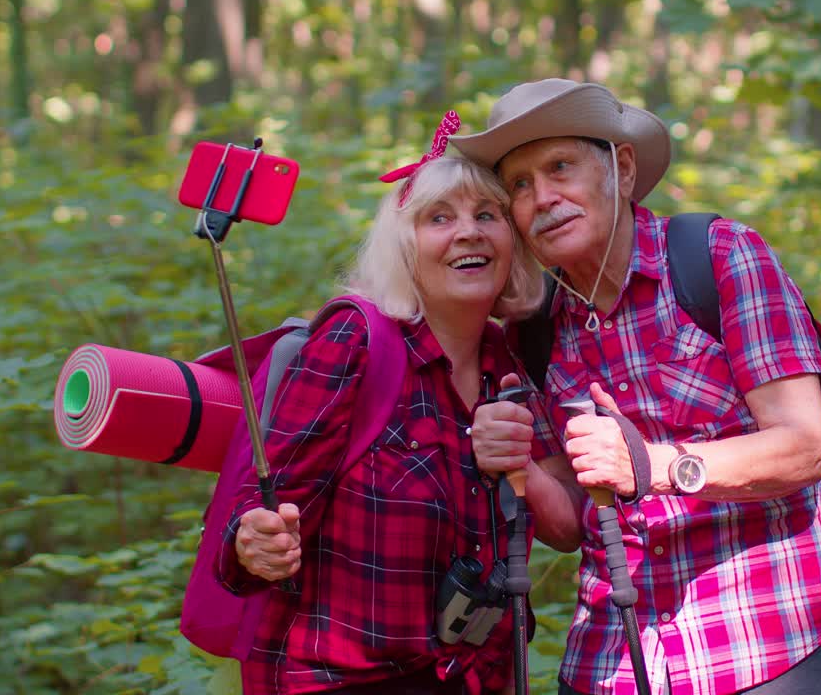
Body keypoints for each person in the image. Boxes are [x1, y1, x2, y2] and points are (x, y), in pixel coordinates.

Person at [457, 80, 821, 695]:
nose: (543, 198)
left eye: (560, 167)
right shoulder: (532, 331)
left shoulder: (719, 257)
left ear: (620, 166)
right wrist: (519, 466)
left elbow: (803, 447)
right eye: (520, 184)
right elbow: (566, 527)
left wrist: (653, 465)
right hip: (613, 651)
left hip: (763, 632)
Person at [215, 111, 563, 695]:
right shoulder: (356, 342)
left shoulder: (512, 367)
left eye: (487, 215)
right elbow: (262, 504)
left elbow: (567, 522)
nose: (469, 232)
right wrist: (254, 543)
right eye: (439, 218)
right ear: (405, 246)